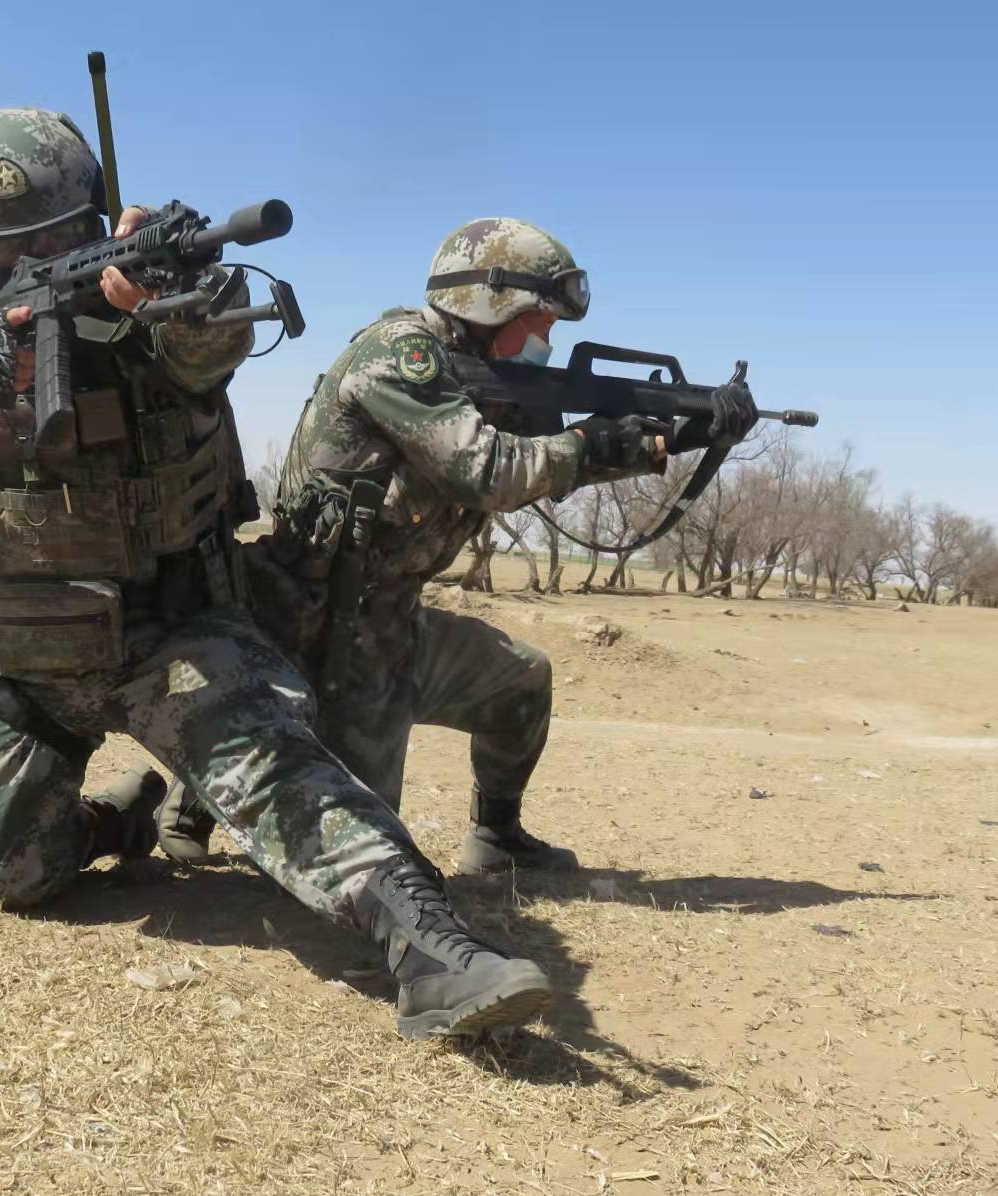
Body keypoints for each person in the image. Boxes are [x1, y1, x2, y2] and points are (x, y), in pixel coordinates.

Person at [0, 108, 552, 1039]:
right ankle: (113, 823)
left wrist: (171, 295)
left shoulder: (165, 298)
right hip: (30, 656)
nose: (38, 259)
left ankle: (434, 949)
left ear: (96, 222)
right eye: (7, 250)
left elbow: (212, 350)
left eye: (62, 235)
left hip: (176, 640)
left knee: (291, 784)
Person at [157, 218, 757, 875]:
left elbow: (550, 459)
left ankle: (498, 838)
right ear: (489, 302)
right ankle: (189, 794)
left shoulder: (487, 386)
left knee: (521, 678)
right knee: (367, 861)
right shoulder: (400, 356)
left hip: (390, 627)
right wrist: (590, 443)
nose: (548, 341)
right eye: (540, 322)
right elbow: (490, 470)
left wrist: (675, 437)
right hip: (305, 624)